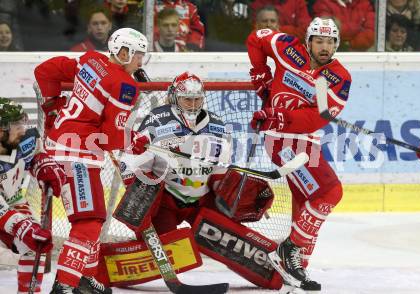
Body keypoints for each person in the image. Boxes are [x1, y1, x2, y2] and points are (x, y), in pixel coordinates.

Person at [117, 72, 283, 290]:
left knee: (229, 235)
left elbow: (218, 170)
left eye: (197, 99)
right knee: (170, 247)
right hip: (165, 200)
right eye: (188, 99)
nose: (193, 105)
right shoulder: (157, 120)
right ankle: (120, 263)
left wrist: (232, 191)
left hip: (201, 198)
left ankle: (273, 273)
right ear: (174, 98)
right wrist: (136, 189)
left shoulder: (216, 125)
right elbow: (129, 160)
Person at [34, 27, 150, 294]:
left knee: (90, 218)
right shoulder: (124, 85)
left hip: (57, 148)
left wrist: (52, 107)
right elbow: (111, 138)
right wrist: (133, 140)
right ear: (123, 52)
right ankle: (65, 284)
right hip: (77, 156)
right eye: (137, 56)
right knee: (90, 221)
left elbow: (45, 70)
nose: (140, 62)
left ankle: (85, 277)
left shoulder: (89, 59)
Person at [246, 17, 352, 292]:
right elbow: (256, 38)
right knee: (331, 192)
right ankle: (289, 250)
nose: (325, 47)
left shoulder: (339, 77)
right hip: (284, 143)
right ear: (308, 41)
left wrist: (280, 116)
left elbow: (317, 118)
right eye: (319, 41)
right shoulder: (288, 48)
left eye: (330, 42)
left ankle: (296, 270)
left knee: (307, 204)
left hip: (306, 143)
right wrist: (260, 72)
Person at [0, 97, 64, 293]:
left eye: (23, 122)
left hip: (14, 202)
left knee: (34, 242)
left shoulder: (25, 140)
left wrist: (43, 165)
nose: (22, 129)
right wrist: (19, 225)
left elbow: (36, 154)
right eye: (16, 125)